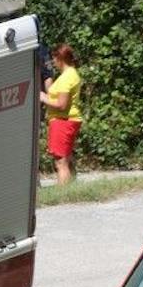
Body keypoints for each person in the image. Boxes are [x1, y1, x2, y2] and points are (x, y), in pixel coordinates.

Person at [39, 43, 84, 185]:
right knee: (66, 157)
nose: (53, 61)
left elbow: (61, 104)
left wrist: (42, 97)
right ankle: (71, 187)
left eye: (54, 58)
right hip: (68, 120)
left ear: (60, 58)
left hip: (62, 121)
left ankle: (63, 191)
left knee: (60, 161)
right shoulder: (71, 74)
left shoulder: (66, 78)